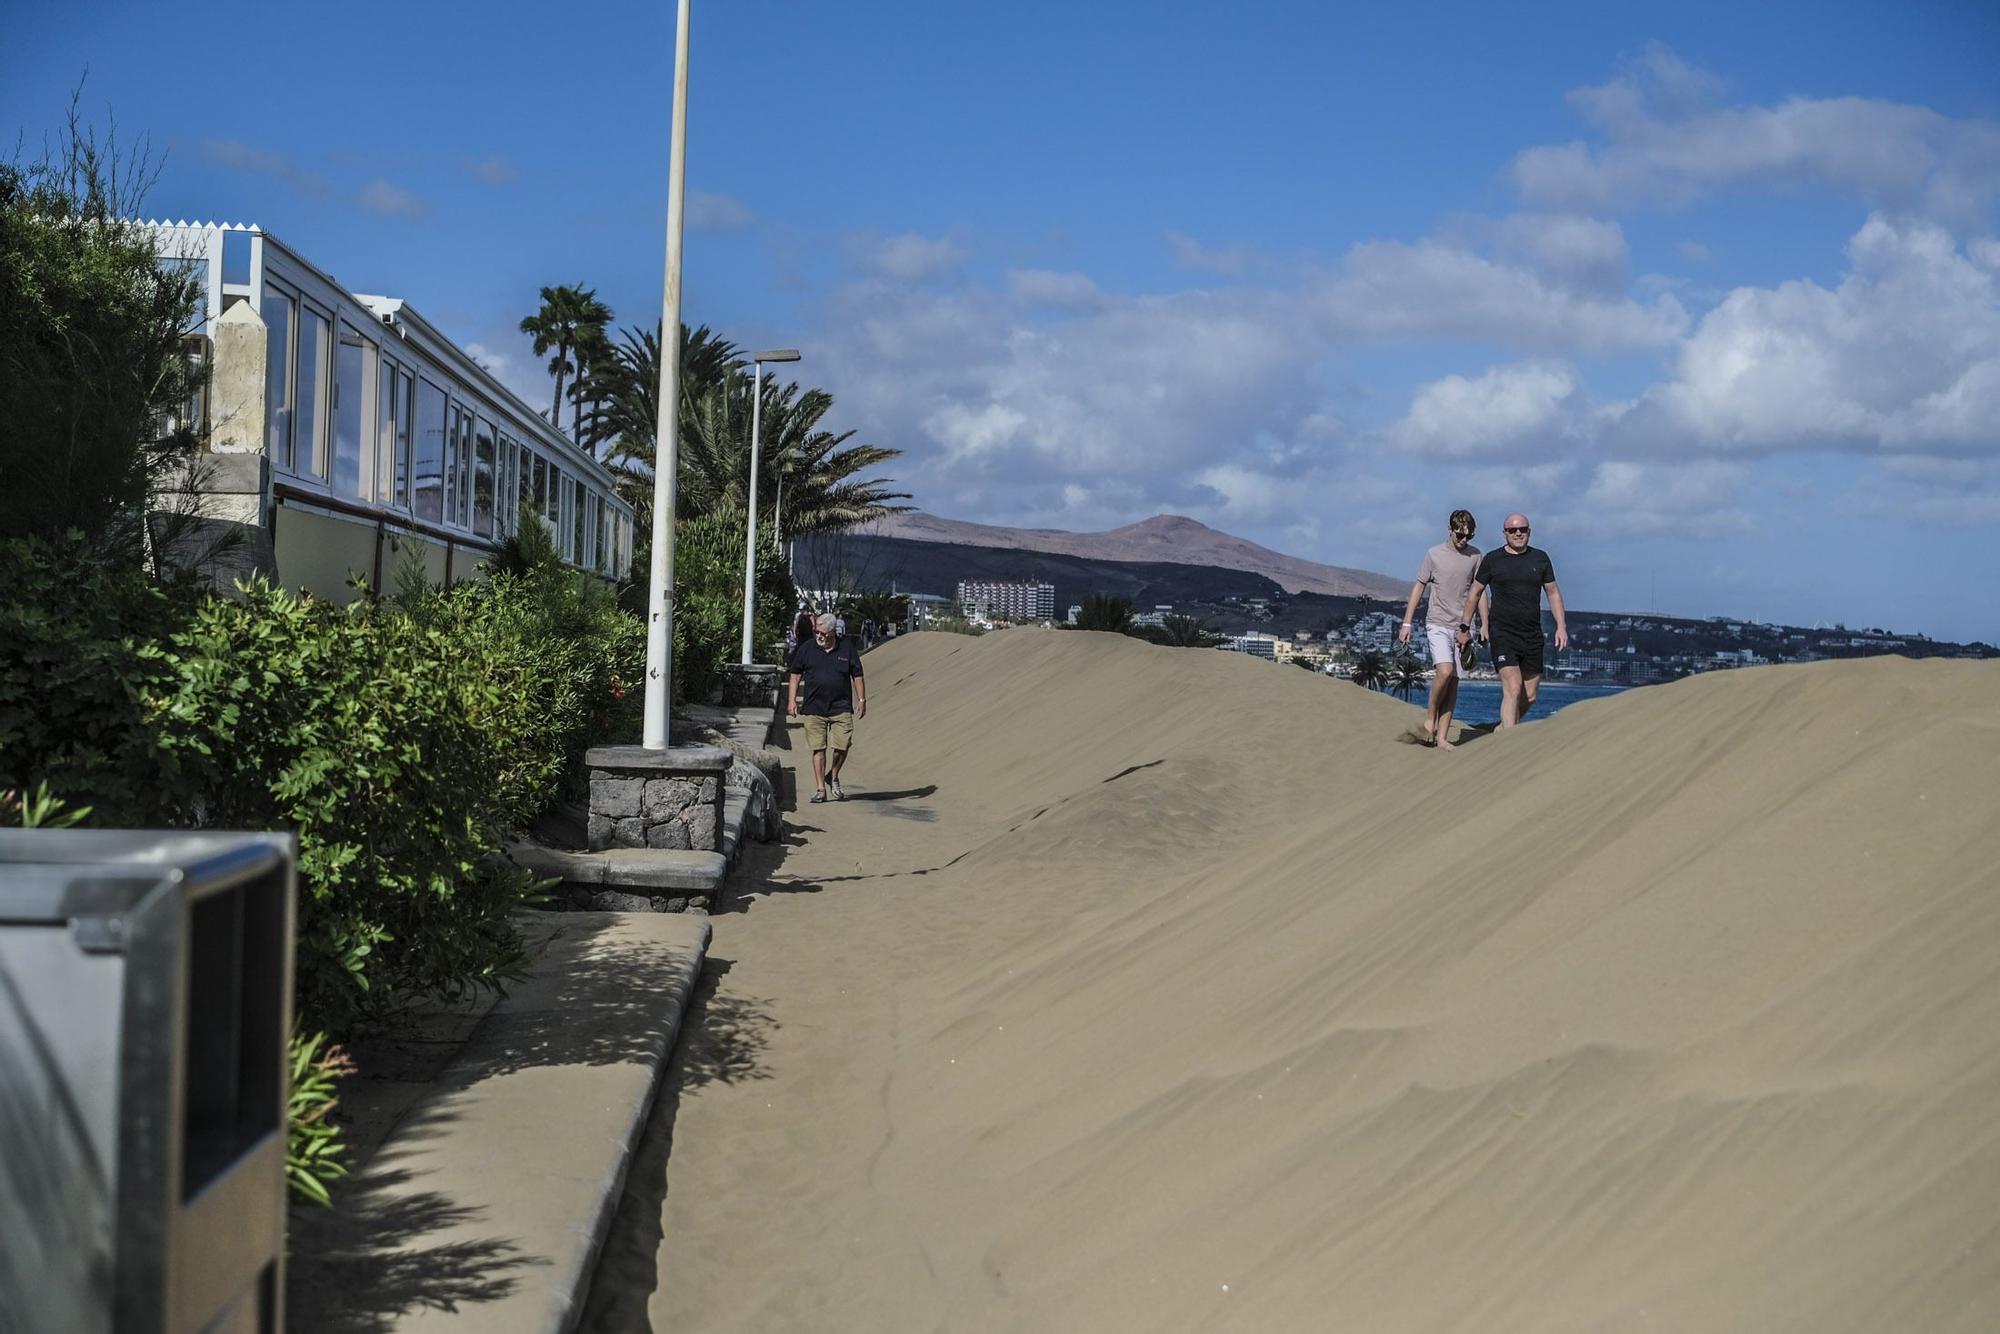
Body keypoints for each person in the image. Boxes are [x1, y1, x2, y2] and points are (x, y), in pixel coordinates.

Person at [1457, 512, 1567, 728]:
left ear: (1529, 532)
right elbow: (1475, 593)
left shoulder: (1541, 558)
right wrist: (1465, 627)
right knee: (1513, 688)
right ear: (1504, 533)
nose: (1518, 533)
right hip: (1503, 633)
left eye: (1522, 529)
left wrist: (1561, 626)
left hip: (1532, 634)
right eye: (1512, 530)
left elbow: (1552, 592)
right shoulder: (1493, 559)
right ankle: (1508, 743)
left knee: (1531, 694)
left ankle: (1501, 728)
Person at [1397, 509, 1482, 749]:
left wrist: (1484, 623)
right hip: (1437, 622)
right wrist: (1406, 622)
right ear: (1450, 530)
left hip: (1464, 627)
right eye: (1459, 534)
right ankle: (1430, 718)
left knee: (1454, 681)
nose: (1463, 540)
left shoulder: (1476, 557)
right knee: (1444, 672)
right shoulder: (1433, 554)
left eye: (1468, 536)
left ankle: (1443, 738)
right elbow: (1419, 588)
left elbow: (1479, 592)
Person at [787, 611, 866, 802]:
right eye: (816, 632)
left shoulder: (847, 649)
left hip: (841, 706)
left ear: (833, 632)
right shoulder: (807, 649)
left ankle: (834, 775)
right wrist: (791, 701)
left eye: (823, 633)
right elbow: (795, 675)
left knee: (842, 745)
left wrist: (862, 700)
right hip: (814, 707)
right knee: (818, 748)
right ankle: (821, 788)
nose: (819, 636)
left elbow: (857, 675)